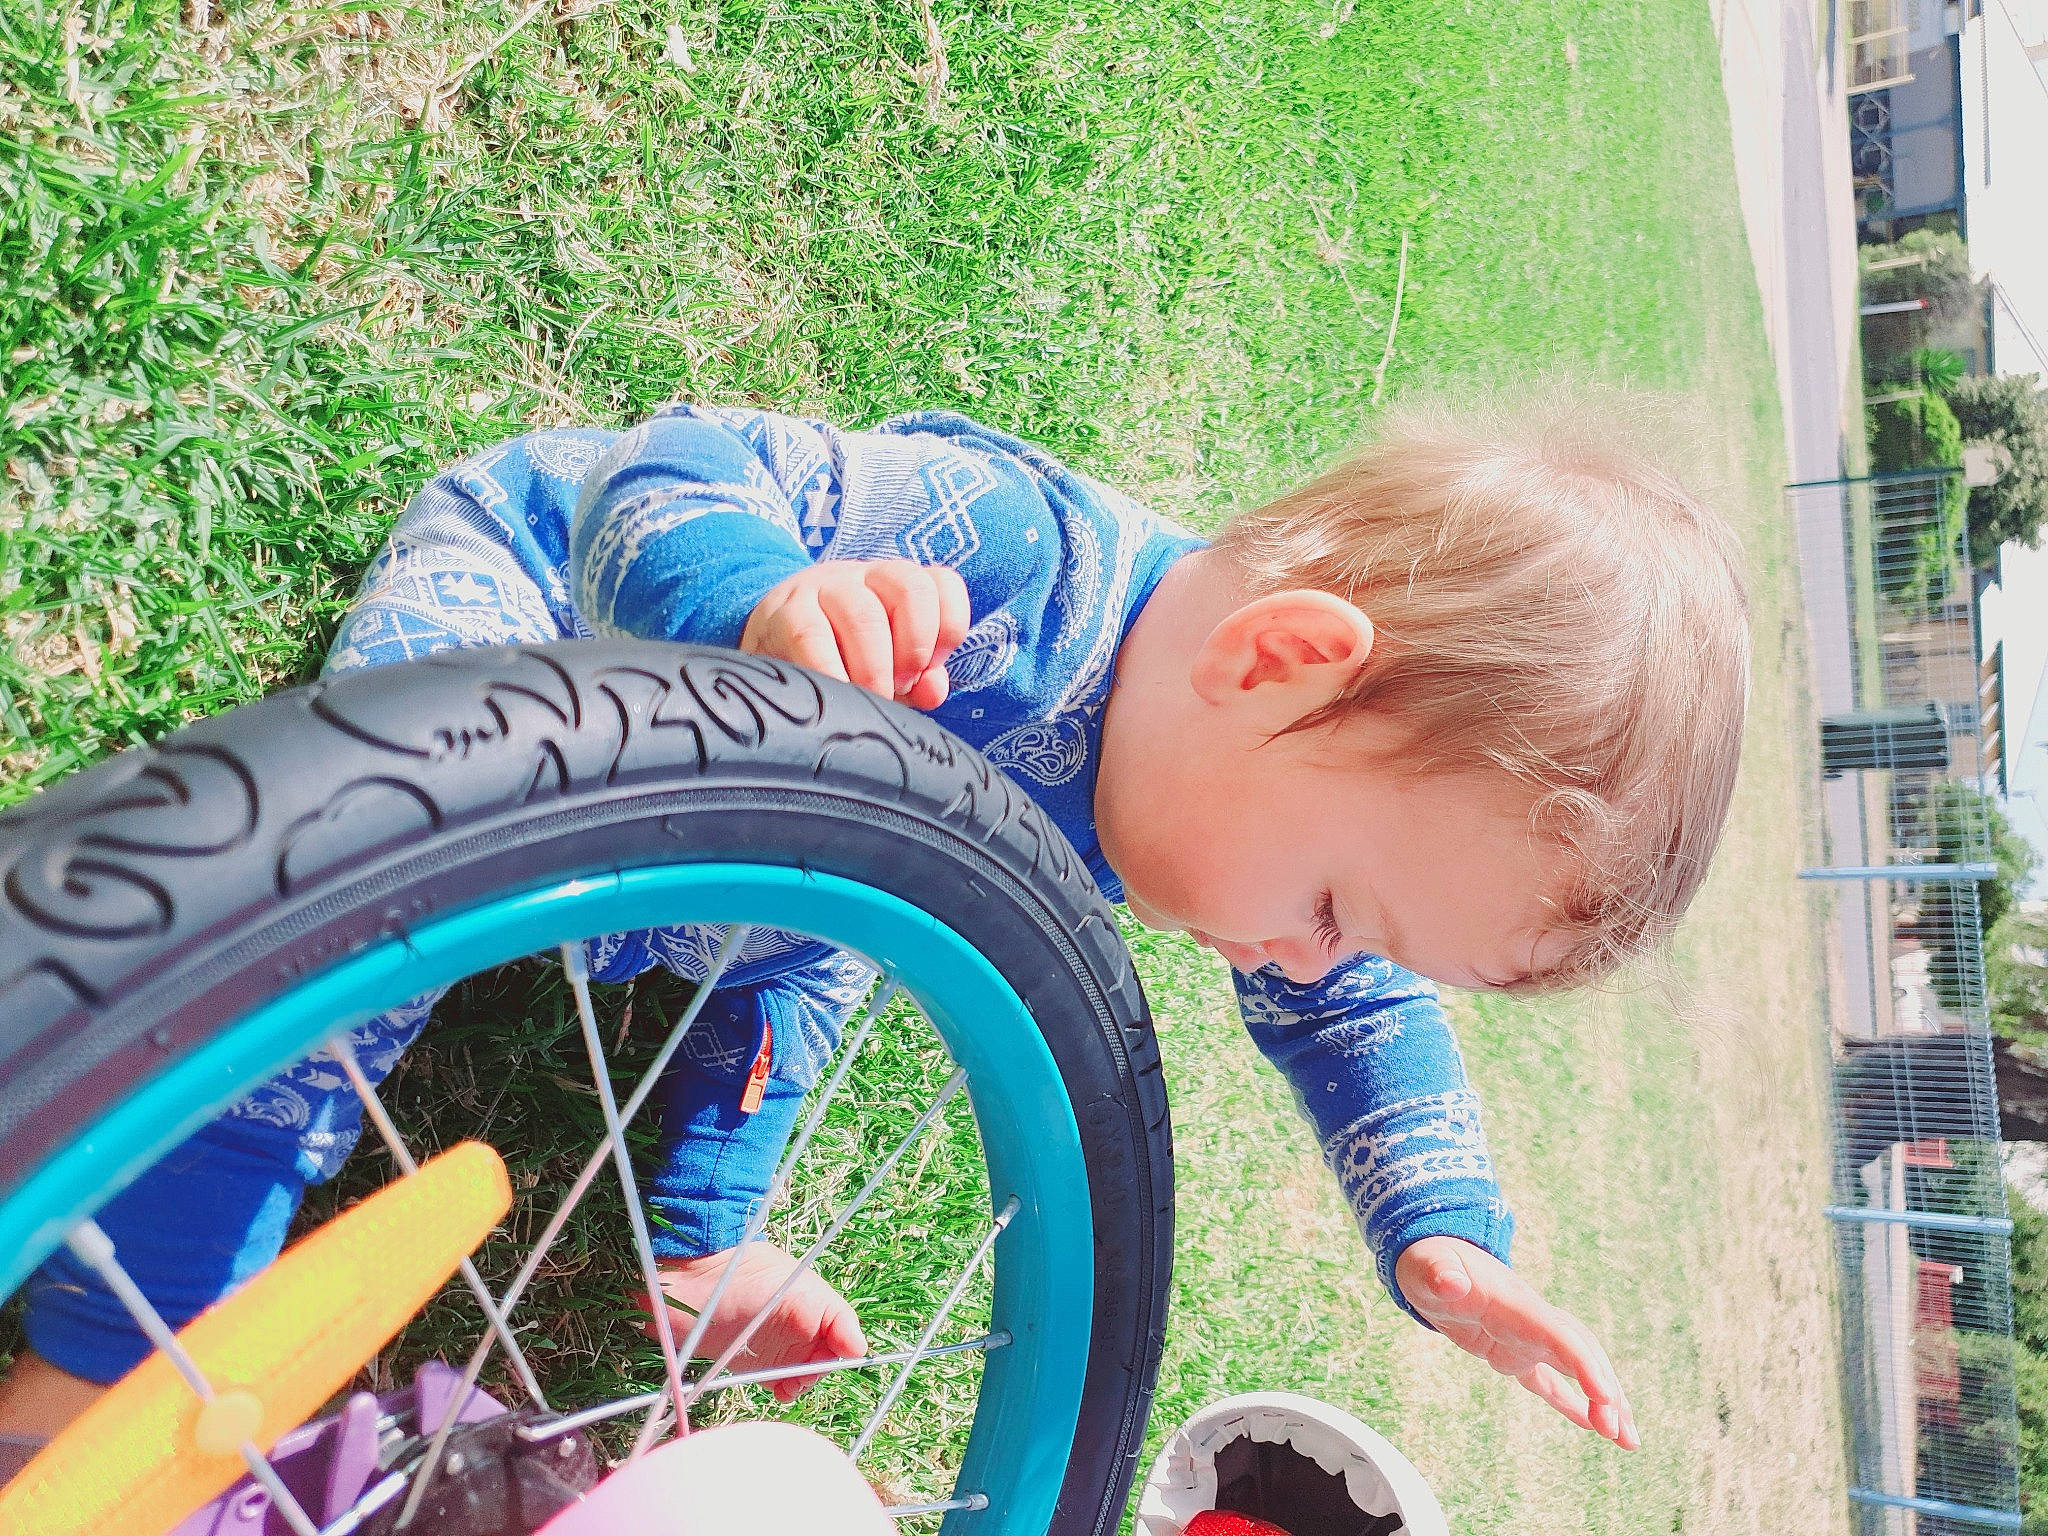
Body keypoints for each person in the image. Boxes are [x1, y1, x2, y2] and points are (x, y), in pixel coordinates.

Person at [0, 395, 1751, 1454]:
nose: (1309, 961)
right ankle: (105, 1362)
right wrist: (764, 601)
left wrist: (1441, 1230)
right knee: (339, 932)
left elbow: (1359, 1014)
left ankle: (694, 1242)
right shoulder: (1017, 563)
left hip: (763, 874)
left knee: (821, 972)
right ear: (1280, 665)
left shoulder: (1271, 801)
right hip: (538, 646)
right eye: (1330, 909)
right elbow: (668, 469)